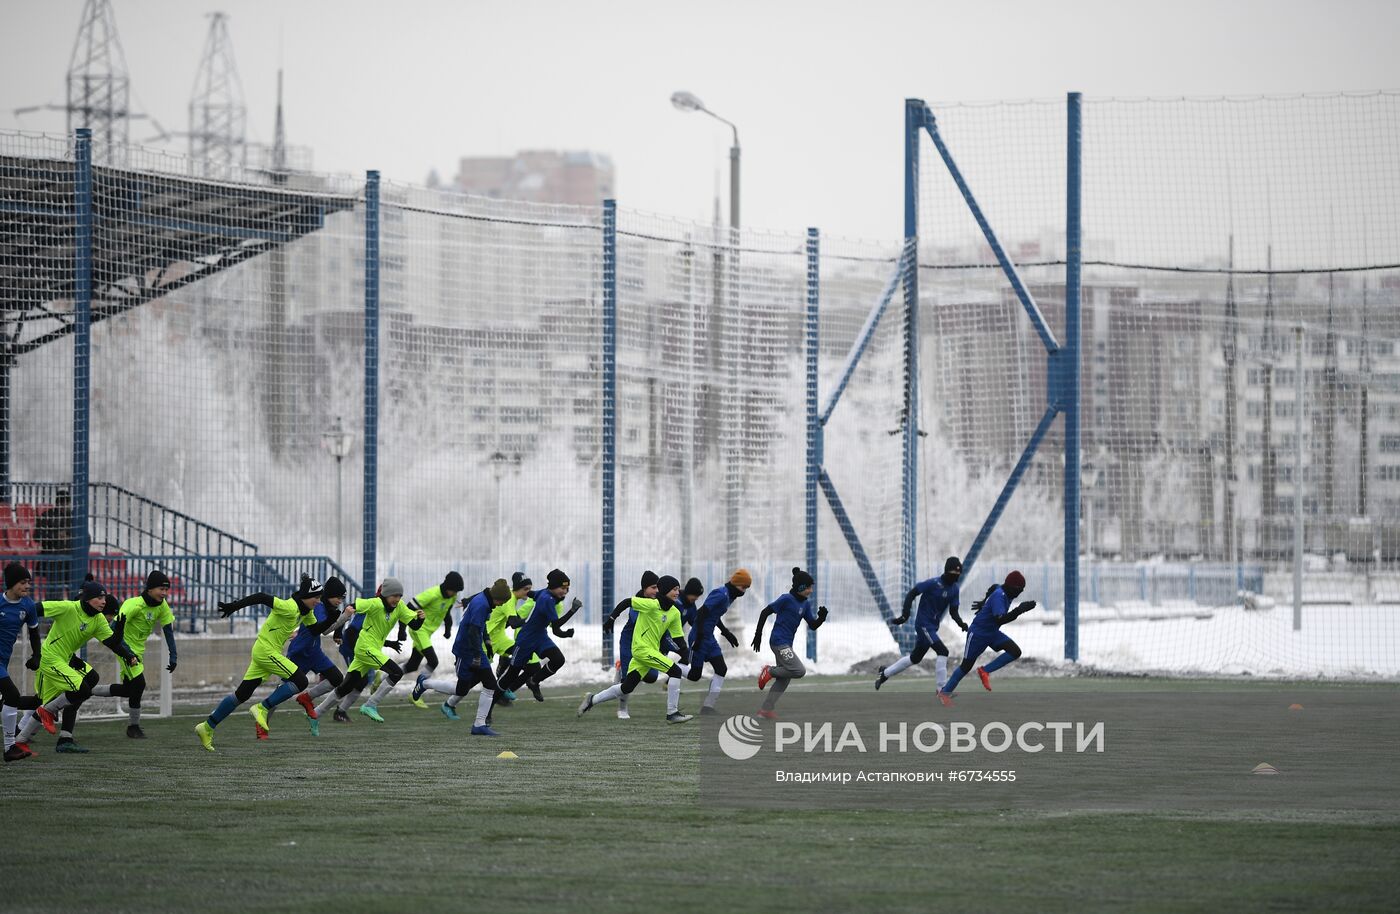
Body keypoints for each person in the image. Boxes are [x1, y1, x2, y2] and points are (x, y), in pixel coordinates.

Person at [194, 575, 330, 750]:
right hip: (266, 651)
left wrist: (334, 617)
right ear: (305, 595)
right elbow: (261, 597)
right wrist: (235, 606)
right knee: (301, 681)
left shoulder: (306, 612)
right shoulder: (289, 607)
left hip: (264, 651)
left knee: (242, 694)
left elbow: (316, 630)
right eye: (316, 598)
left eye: (320, 598)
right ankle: (263, 707)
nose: (318, 602)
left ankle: (207, 726)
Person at [14, 579, 138, 754]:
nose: (104, 601)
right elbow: (36, 608)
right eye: (100, 597)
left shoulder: (98, 620)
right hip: (50, 658)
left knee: (90, 679)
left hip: (66, 659)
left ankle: (23, 740)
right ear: (88, 598)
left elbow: (113, 643)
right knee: (69, 694)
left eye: (105, 597)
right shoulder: (68, 607)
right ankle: (34, 714)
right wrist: (15, 623)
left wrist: (127, 650)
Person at [578, 575, 692, 722]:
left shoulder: (675, 612)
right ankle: (672, 713)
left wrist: (685, 651)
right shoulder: (650, 604)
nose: (678, 592)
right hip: (641, 650)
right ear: (664, 590)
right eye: (674, 589)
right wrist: (612, 619)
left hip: (651, 652)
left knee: (626, 687)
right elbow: (627, 602)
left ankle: (591, 700)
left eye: (678, 589)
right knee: (675, 671)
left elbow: (677, 637)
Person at [314, 578, 423, 723]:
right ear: (384, 594)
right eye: (393, 595)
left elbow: (414, 625)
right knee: (396, 672)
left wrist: (420, 619)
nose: (397, 599)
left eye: (399, 596)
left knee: (346, 687)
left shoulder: (400, 607)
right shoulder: (374, 603)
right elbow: (351, 607)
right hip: (364, 648)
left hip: (370, 649)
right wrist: (339, 631)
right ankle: (371, 704)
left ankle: (315, 713)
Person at [413, 578, 510, 735]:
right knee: (461, 689)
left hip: (475, 649)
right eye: (502, 601)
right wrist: (477, 656)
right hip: (466, 651)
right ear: (497, 598)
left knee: (490, 684)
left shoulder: (485, 599)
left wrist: (486, 640)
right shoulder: (481, 604)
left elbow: (480, 626)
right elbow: (472, 631)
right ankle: (425, 683)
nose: (502, 604)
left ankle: (479, 725)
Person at [89, 569, 179, 738]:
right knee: (139, 684)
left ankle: (88, 690)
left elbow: (168, 631)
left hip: (139, 651)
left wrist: (174, 656)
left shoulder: (162, 606)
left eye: (167, 589)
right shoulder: (133, 605)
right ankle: (133, 727)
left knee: (128, 690)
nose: (165, 593)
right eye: (162, 589)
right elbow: (112, 630)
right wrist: (127, 653)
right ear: (150, 589)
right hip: (125, 649)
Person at [937, 570, 1036, 707]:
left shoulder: (1004, 590)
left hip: (992, 633)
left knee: (1015, 651)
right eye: (1019, 590)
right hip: (978, 634)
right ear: (1013, 587)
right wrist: (1019, 610)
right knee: (965, 667)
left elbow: (994, 586)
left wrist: (984, 602)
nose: (1019, 593)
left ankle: (984, 671)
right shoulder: (999, 596)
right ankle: (944, 693)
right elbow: (1000, 619)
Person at [876, 556, 962, 693]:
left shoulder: (954, 589)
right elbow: (912, 594)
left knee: (915, 658)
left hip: (932, 627)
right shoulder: (933, 583)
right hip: (923, 625)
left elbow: (954, 612)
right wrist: (905, 615)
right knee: (943, 651)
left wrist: (961, 623)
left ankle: (884, 673)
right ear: (946, 572)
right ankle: (942, 690)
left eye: (958, 575)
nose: (955, 577)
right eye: (953, 574)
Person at [752, 567, 828, 720]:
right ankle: (770, 671)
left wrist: (821, 618)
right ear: (800, 587)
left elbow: (812, 625)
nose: (811, 591)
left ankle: (765, 710)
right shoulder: (786, 599)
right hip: (778, 642)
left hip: (786, 644)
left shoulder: (805, 604)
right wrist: (758, 634)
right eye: (808, 587)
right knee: (799, 671)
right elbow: (765, 612)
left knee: (784, 679)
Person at [282, 577, 351, 736]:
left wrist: (339, 629)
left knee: (336, 678)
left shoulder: (328, 608)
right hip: (300, 652)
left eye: (342, 598)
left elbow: (332, 625)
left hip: (314, 652)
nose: (340, 601)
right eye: (338, 597)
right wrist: (344, 617)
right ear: (329, 595)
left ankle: (307, 698)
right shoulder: (319, 608)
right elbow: (324, 629)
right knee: (283, 691)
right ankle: (263, 718)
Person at [498, 569, 580, 700]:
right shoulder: (546, 599)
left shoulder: (550, 597)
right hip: (526, 638)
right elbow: (556, 624)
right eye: (562, 588)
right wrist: (572, 610)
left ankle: (533, 682)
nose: (564, 591)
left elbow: (555, 628)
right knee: (513, 673)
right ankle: (493, 700)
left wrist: (565, 634)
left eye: (567, 589)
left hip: (540, 637)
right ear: (553, 586)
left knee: (557, 660)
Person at [684, 570, 748, 715]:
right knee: (695, 675)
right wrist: (699, 637)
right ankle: (672, 669)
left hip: (709, 638)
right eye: (743, 587)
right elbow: (701, 613)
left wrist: (726, 633)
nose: (744, 591)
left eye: (747, 588)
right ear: (736, 583)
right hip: (699, 636)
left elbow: (714, 615)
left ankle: (708, 707)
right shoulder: (721, 594)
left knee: (721, 669)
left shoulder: (729, 597)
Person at [399, 571, 463, 709]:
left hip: (427, 633)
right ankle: (416, 695)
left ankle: (383, 676)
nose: (455, 594)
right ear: (447, 587)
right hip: (419, 630)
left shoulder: (452, 596)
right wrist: (402, 630)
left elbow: (446, 613)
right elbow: (408, 608)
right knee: (433, 661)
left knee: (412, 665)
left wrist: (448, 629)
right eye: (454, 590)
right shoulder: (432, 594)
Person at [604, 570, 662, 720]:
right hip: (630, 642)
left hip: (646, 644)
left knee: (651, 677)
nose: (656, 591)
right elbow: (639, 621)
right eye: (653, 587)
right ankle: (622, 709)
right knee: (628, 679)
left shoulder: (659, 601)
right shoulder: (638, 602)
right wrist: (611, 618)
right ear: (645, 589)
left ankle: (622, 668)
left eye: (658, 588)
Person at [0, 563, 42, 762]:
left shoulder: (28, 606)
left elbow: (34, 633)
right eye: (23, 582)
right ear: (11, 584)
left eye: (29, 583)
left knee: (8, 699)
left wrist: (37, 656)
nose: (27, 586)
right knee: (12, 695)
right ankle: (10, 747)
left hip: (3, 660)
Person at [34, 488, 73, 599]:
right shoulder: (48, 516)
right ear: (57, 503)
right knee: (54, 593)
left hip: (71, 559)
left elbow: (86, 539)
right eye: (61, 502)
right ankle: (51, 615)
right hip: (54, 559)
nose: (64, 505)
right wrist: (56, 537)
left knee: (74, 593)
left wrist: (70, 538)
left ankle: (75, 614)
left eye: (66, 503)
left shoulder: (75, 518)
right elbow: (37, 536)